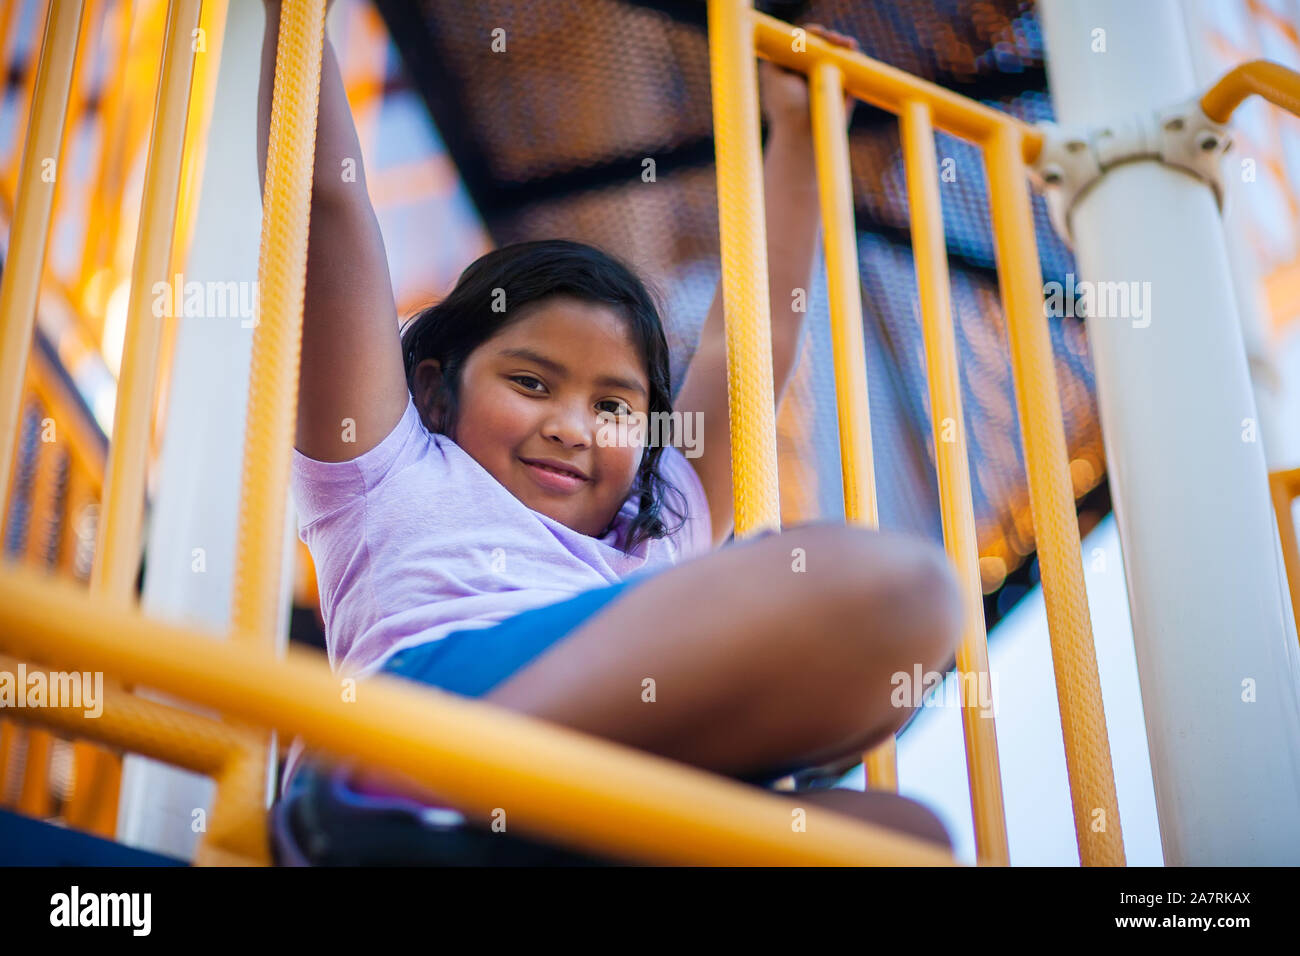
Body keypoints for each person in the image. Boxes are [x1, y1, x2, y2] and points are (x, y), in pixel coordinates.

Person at [258, 0, 962, 863]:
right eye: (529, 382)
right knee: (897, 588)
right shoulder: (393, 469)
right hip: (420, 723)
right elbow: (327, 205)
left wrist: (802, 138)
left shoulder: (663, 518)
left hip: (590, 812)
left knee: (909, 841)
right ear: (438, 392)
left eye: (614, 406)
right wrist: (293, 15)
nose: (573, 427)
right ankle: (385, 789)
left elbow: (758, 343)